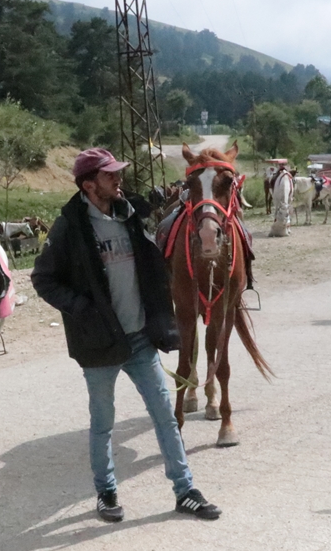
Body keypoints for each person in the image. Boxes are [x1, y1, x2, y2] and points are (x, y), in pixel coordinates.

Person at [31, 148, 221, 522]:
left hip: (139, 339)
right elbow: (42, 279)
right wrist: (83, 310)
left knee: (165, 415)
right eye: (110, 176)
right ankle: (106, 492)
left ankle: (185, 490)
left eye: (119, 173)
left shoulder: (130, 215)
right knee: (103, 423)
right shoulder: (69, 226)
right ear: (89, 185)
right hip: (100, 344)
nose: (119, 180)